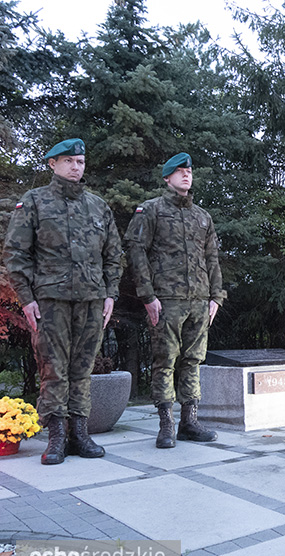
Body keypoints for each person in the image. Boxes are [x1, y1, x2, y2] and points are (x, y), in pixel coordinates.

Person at [3, 138, 122, 465]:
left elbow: (113, 255)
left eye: (80, 161)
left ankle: (79, 433)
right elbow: (15, 254)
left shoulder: (98, 206)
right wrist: (26, 299)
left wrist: (110, 293)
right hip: (50, 300)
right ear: (52, 164)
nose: (75, 167)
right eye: (68, 161)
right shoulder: (35, 202)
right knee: (53, 369)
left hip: (91, 301)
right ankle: (56, 436)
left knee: (82, 369)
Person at [125, 153, 225, 448]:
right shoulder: (151, 210)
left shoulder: (202, 216)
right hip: (166, 300)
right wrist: (147, 295)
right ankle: (166, 424)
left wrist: (216, 296)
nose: (186, 175)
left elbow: (212, 259)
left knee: (193, 361)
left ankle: (189, 422)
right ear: (167, 178)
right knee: (165, 361)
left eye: (189, 171)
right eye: (179, 171)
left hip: (198, 299)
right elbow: (136, 251)